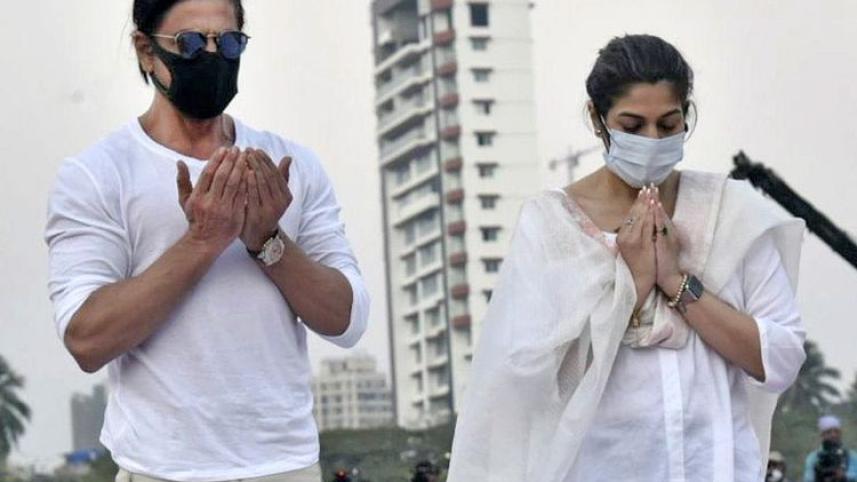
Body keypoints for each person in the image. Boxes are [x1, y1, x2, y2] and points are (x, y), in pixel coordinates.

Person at [447, 34, 807, 481]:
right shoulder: (553, 226)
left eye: (668, 124)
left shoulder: (732, 214)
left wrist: (677, 282)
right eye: (633, 127)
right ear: (598, 121)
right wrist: (631, 288)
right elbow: (532, 380)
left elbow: (780, 359)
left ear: (687, 117)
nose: (652, 140)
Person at [44, 1, 369, 481]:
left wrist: (268, 241)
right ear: (145, 50)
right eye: (192, 43)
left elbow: (348, 321)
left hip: (285, 466)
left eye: (229, 42)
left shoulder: (286, 166)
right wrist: (202, 241)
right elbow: (87, 339)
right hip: (161, 468)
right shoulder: (97, 175)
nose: (212, 56)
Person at [803, 415, 857, 482]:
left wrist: (844, 476)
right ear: (822, 435)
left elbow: (855, 475)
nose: (833, 435)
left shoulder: (851, 456)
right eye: (828, 432)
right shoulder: (813, 458)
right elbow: (808, 478)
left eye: (836, 431)